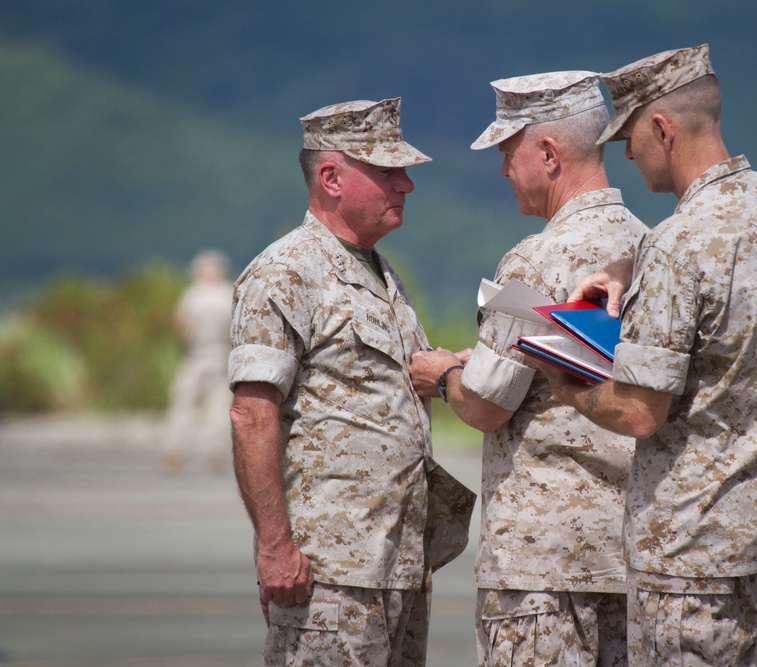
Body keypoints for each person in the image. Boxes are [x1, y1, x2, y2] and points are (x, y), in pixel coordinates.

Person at [531, 45, 757, 667]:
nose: (625, 152)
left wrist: (554, 368)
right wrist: (631, 267)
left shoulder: (679, 243)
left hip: (694, 556)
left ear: (662, 128)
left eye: (630, 136)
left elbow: (639, 413)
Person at [409, 71, 647, 666]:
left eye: (508, 153)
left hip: (545, 565)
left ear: (547, 153)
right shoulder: (650, 245)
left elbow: (487, 403)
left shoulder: (538, 256)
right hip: (633, 556)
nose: (502, 170)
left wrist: (443, 375)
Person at [228, 98, 473, 666]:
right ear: (332, 178)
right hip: (329, 571)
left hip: (398, 562)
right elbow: (251, 413)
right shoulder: (285, 272)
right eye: (388, 172)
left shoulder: (379, 271)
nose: (407, 184)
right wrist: (274, 547)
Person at [161, 249, 233, 474]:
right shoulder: (228, 293)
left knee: (184, 402)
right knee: (218, 405)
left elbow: (182, 324)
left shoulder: (193, 294)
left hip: (196, 354)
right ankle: (215, 451)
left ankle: (176, 449)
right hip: (221, 354)